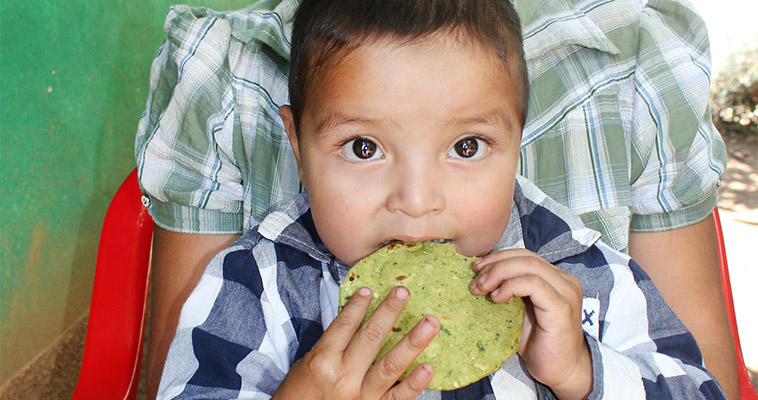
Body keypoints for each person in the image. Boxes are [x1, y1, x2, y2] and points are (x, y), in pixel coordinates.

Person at [135, 0, 738, 398]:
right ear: (296, 144)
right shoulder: (257, 286)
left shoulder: (576, 273)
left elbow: (700, 389)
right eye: (364, 148)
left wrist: (585, 372)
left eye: (468, 146)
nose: (417, 202)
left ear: (518, 139)